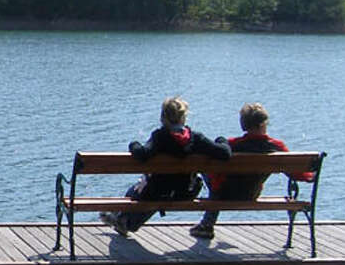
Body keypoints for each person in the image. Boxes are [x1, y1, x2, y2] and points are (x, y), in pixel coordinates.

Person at [102, 96, 231, 236]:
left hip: (158, 192)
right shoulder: (196, 139)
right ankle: (123, 220)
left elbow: (142, 154)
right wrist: (221, 140)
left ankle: (122, 219)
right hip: (185, 193)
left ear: (163, 117)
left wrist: (133, 144)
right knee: (153, 187)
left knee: (141, 186)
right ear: (183, 118)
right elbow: (224, 153)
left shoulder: (160, 137)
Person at [188, 102, 305, 239]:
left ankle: (207, 225)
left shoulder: (231, 145)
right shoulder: (276, 147)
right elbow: (296, 173)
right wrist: (311, 175)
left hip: (224, 193)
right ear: (263, 124)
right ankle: (206, 225)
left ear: (244, 124)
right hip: (250, 194)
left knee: (209, 171)